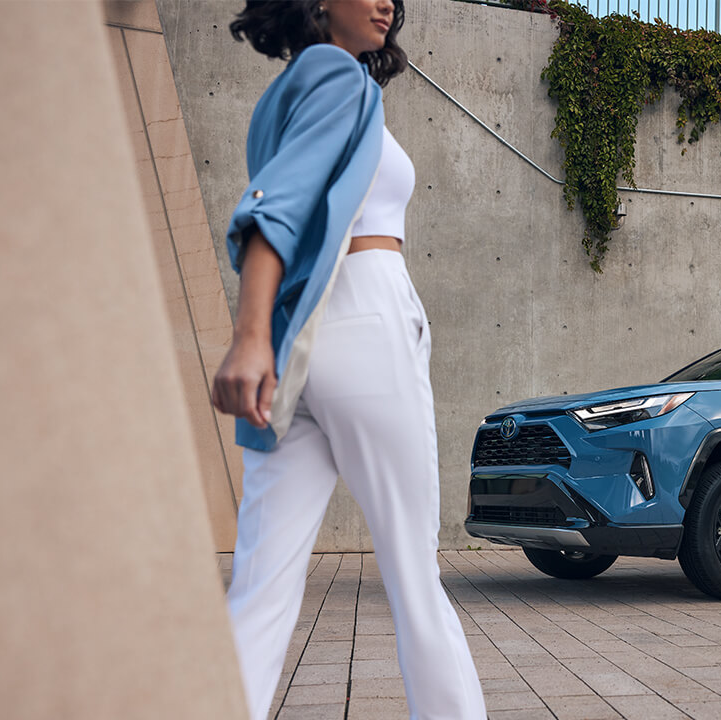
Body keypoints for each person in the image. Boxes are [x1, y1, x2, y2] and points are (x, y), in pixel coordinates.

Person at [213, 2, 486, 718]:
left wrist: (259, 339)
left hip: (297, 343)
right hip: (363, 318)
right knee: (414, 578)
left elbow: (286, 204)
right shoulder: (336, 73)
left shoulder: (286, 92)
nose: (386, 4)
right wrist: (245, 336)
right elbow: (278, 207)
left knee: (260, 590)